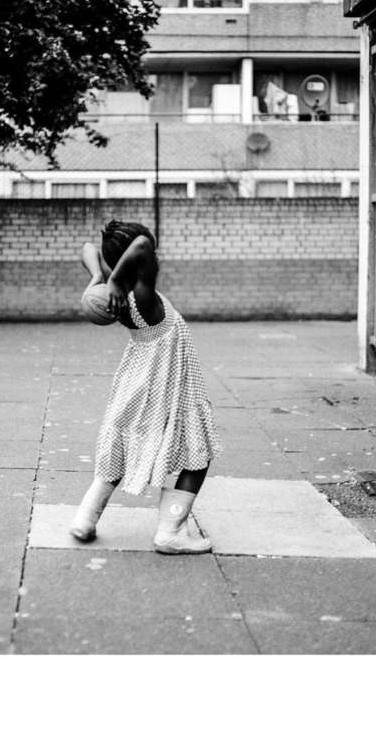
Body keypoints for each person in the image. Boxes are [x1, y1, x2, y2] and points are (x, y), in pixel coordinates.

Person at [69, 220, 222, 554]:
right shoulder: (142, 292)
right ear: (140, 260)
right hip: (170, 384)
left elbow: (87, 248)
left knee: (118, 448)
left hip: (138, 380)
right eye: (153, 253)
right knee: (198, 453)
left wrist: (98, 277)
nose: (156, 257)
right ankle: (171, 532)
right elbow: (141, 243)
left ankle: (85, 519)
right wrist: (111, 279)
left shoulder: (120, 294)